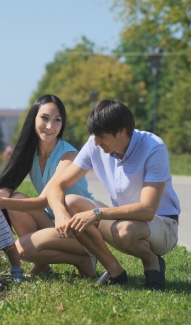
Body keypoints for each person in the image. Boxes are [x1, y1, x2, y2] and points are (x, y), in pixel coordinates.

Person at [40, 99, 181, 290]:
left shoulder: (153, 148)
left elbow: (147, 211)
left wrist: (98, 213)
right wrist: (60, 213)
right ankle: (115, 271)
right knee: (71, 202)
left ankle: (152, 261)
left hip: (163, 225)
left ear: (121, 131)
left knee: (125, 231)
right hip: (122, 220)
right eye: (94, 136)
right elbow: (57, 185)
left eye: (101, 136)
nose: (96, 142)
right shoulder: (94, 144)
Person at [0, 94, 97, 277]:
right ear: (33, 118)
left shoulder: (68, 156)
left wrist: (3, 203)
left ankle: (83, 259)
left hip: (81, 228)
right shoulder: (30, 152)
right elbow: (7, 187)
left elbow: (43, 201)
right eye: (44, 118)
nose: (50, 126)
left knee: (21, 249)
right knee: (16, 197)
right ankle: (42, 266)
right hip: (54, 221)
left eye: (57, 120)